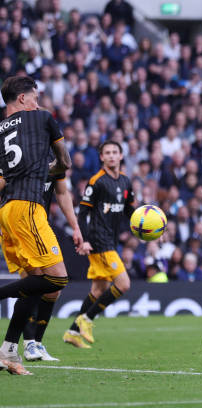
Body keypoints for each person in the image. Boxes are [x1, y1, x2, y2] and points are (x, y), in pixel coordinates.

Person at [0, 75, 72, 375]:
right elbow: (64, 161)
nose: (38, 102)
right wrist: (55, 166)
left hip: (7, 210)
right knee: (57, 279)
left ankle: (8, 352)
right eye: (34, 97)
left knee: (34, 284)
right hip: (29, 207)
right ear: (21, 99)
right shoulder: (42, 118)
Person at [63, 140, 136, 349]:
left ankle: (72, 332)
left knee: (98, 289)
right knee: (123, 284)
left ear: (121, 156)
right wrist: (84, 240)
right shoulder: (97, 181)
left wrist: (149, 228)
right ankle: (87, 319)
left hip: (111, 240)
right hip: (99, 241)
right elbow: (83, 212)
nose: (112, 156)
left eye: (115, 152)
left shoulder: (125, 182)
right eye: (107, 153)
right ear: (101, 157)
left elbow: (130, 212)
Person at [19, 154, 84, 361]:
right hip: (20, 225)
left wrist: (75, 226)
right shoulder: (20, 153)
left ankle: (37, 343)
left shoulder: (54, 159)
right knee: (32, 280)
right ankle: (27, 343)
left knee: (54, 287)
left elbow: (63, 193)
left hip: (41, 226)